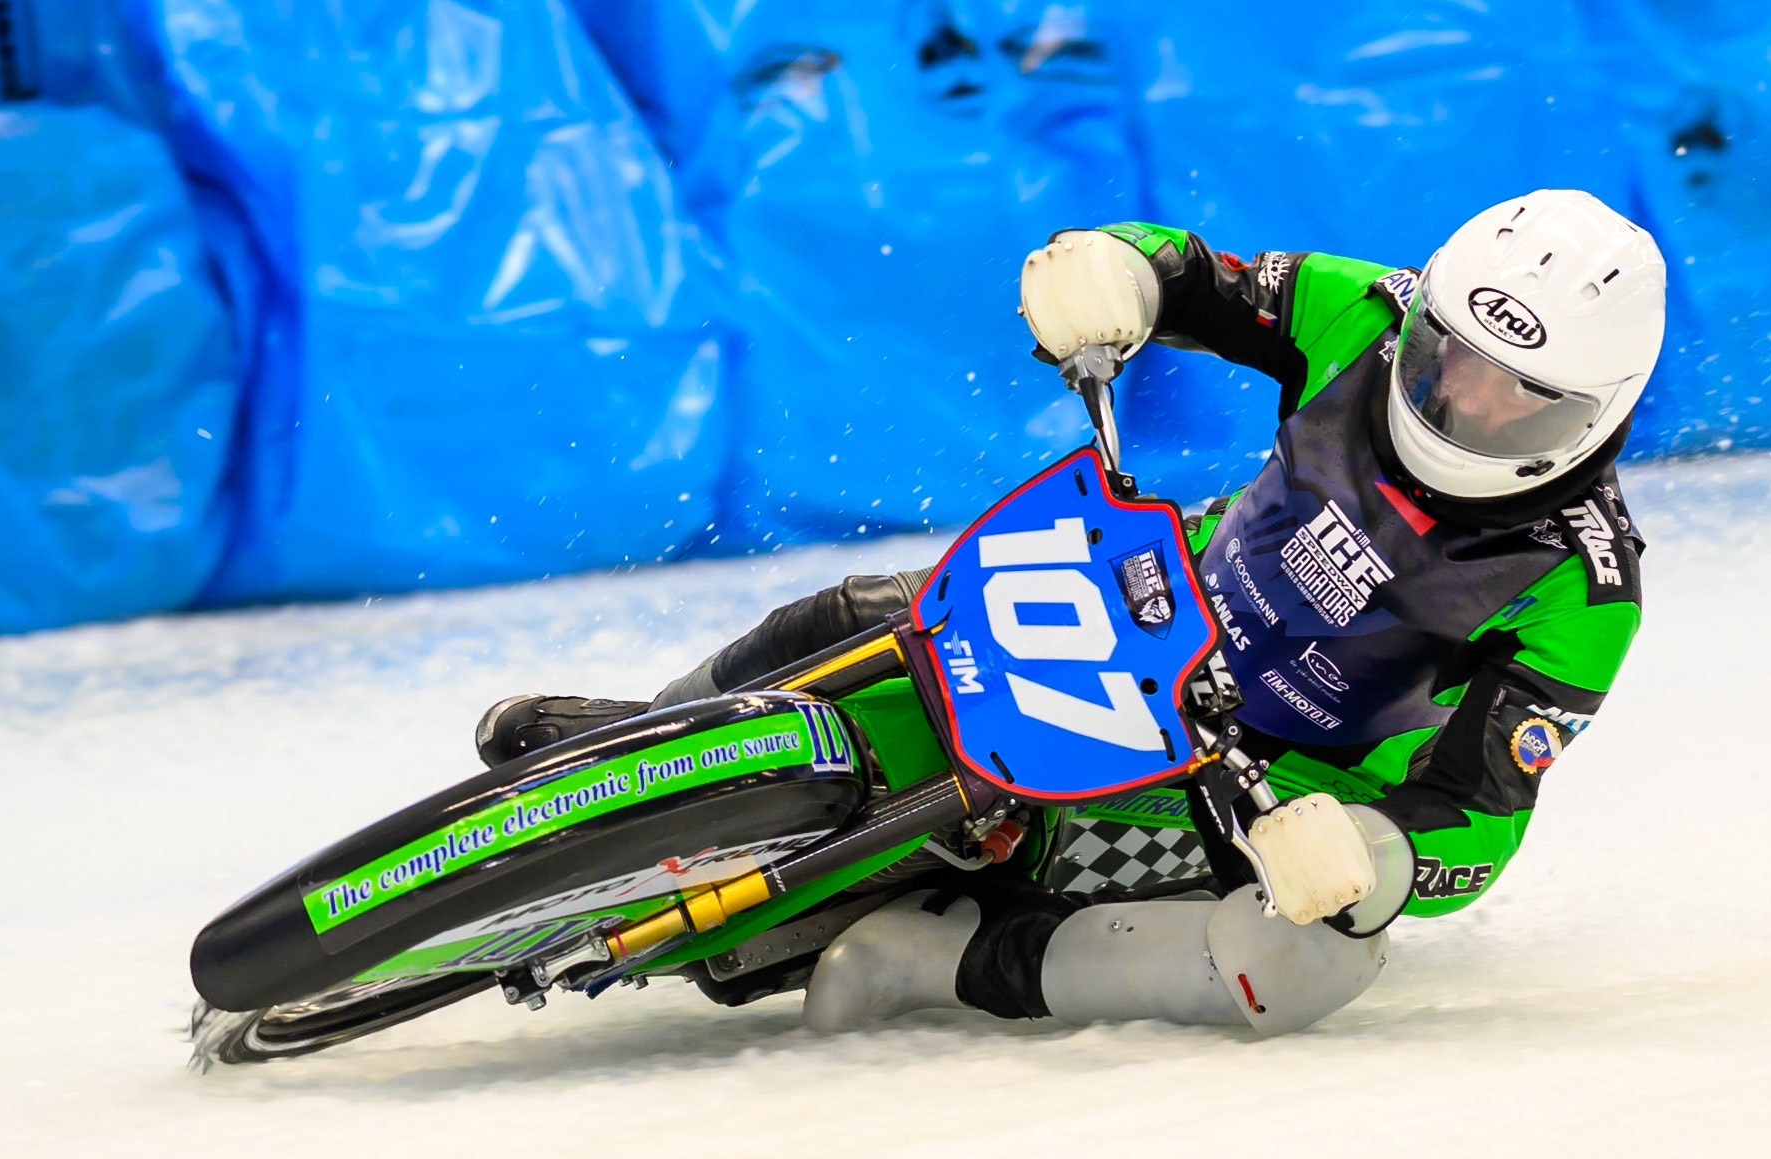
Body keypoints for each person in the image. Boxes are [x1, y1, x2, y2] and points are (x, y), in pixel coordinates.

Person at [476, 189, 1664, 1037]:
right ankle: (663, 730)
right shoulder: (1361, 311)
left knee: (1294, 966)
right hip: (1151, 601)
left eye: (1519, 404)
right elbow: (1192, 273)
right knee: (864, 609)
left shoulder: (1583, 586)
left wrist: (1379, 854)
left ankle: (939, 967)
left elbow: (1478, 821)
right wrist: (1114, 269)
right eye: (1446, 362)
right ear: (1421, 322)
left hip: (1267, 785)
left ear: (1596, 417)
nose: (1459, 409)